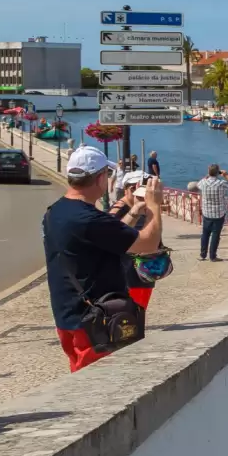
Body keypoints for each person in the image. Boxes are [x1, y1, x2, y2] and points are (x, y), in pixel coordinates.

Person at [43, 146, 163, 372]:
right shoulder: (89, 218)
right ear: (99, 179)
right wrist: (154, 206)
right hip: (95, 321)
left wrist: (135, 211)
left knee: (79, 374)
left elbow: (109, 237)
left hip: (68, 314)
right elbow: (147, 245)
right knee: (95, 384)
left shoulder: (55, 211)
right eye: (107, 175)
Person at [192, 164, 228, 261]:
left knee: (205, 234)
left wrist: (207, 175)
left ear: (209, 172)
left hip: (206, 213)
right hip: (218, 214)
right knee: (215, 235)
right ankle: (213, 256)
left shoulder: (203, 182)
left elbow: (198, 184)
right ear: (218, 173)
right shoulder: (221, 183)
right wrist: (226, 175)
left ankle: (203, 255)